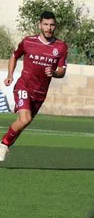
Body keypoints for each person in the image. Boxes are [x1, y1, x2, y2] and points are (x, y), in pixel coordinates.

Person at [0, 11, 68, 162]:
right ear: (40, 25)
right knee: (25, 118)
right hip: (24, 86)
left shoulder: (61, 47)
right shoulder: (28, 42)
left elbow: (62, 71)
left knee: (24, 123)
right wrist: (10, 75)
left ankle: (5, 144)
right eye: (45, 24)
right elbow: (14, 55)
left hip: (40, 93)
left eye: (51, 25)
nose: (48, 28)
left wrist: (54, 73)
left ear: (55, 26)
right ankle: (3, 144)